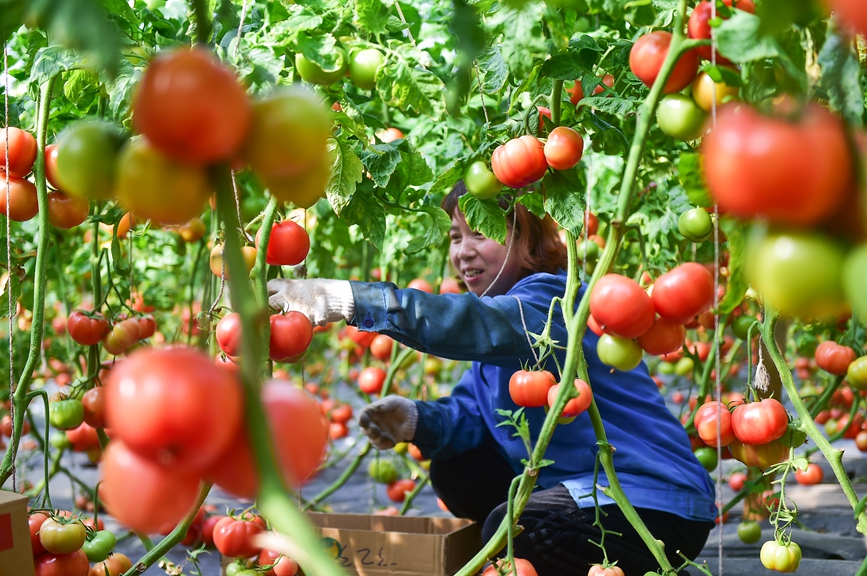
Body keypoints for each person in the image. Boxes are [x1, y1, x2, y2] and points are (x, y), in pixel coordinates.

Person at [267, 182, 716, 576]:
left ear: (528, 241)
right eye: (455, 237)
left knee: (521, 529)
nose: (462, 251)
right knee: (457, 468)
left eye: (480, 233)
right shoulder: (500, 328)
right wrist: (417, 420)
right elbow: (474, 416)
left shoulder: (556, 304)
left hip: (653, 507)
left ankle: (621, 561)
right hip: (582, 498)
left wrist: (346, 299)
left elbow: (471, 325)